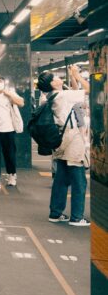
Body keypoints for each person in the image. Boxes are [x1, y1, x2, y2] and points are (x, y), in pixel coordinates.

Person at [37, 65, 90, 226]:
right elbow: (88, 89)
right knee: (79, 179)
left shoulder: (50, 97)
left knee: (61, 178)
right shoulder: (63, 96)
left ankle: (55, 212)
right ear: (53, 84)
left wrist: (72, 77)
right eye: (55, 77)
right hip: (72, 138)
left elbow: (75, 94)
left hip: (59, 140)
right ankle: (77, 217)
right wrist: (77, 75)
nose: (58, 78)